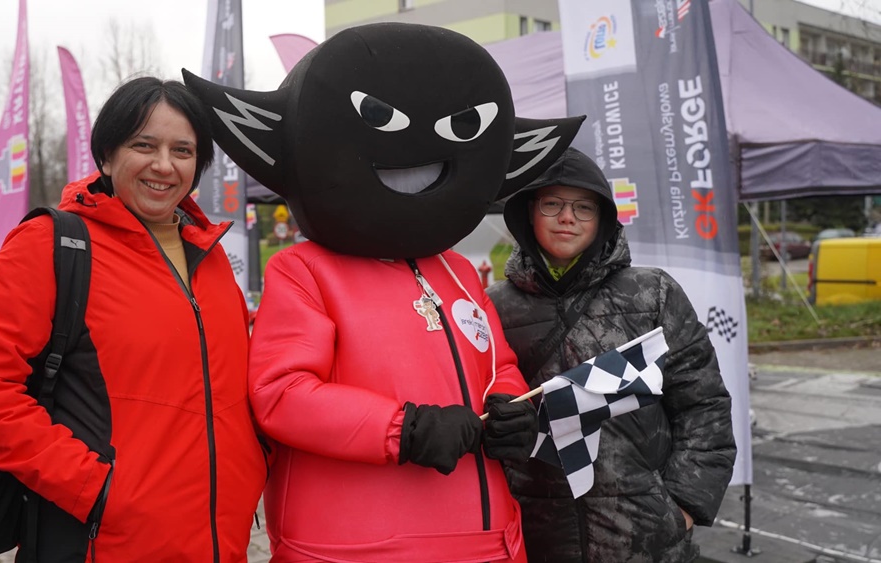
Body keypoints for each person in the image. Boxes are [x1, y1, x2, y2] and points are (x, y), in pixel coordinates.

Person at [185, 22, 584, 562]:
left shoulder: (458, 271)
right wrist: (403, 429)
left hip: (486, 538)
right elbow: (281, 394)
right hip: (353, 544)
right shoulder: (303, 270)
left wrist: (511, 407)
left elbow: (497, 365)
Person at [0, 77, 266, 561]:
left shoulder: (209, 255)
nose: (163, 165)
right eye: (143, 145)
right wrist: (96, 489)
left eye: (182, 150)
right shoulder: (53, 245)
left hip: (221, 540)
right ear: (107, 156)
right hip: (103, 541)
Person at [487, 147, 737, 562]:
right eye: (553, 204)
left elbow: (703, 405)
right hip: (535, 534)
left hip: (645, 537)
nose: (568, 217)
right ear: (529, 213)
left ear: (602, 219)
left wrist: (682, 507)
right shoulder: (494, 306)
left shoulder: (653, 292)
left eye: (584, 207)